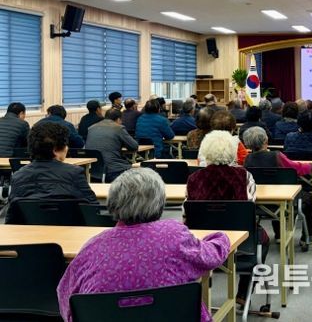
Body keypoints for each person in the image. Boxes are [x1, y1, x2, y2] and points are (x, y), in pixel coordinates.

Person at [56, 168, 230, 322]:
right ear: (160, 202)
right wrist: (219, 237)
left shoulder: (92, 247)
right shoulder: (174, 234)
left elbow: (65, 297)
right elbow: (212, 256)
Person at [186, 130, 267, 304]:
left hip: (203, 242)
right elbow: (250, 206)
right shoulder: (245, 176)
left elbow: (187, 213)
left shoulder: (193, 179)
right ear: (232, 151)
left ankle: (201, 292)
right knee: (263, 238)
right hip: (240, 240)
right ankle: (243, 293)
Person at [6, 122, 97, 224]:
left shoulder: (18, 176)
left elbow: (12, 218)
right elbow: (94, 208)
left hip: (31, 232)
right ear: (55, 150)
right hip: (70, 231)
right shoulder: (75, 173)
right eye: (65, 145)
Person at [243, 126, 312, 244]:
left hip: (258, 203)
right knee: (309, 199)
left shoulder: (247, 159)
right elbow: (296, 168)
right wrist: (310, 166)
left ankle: (279, 235)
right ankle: (308, 236)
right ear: (266, 140)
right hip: (282, 199)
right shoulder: (276, 156)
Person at [85, 109, 139, 182]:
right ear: (118, 119)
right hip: (113, 170)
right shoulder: (118, 128)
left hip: (93, 170)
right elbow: (134, 146)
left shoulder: (91, 128)